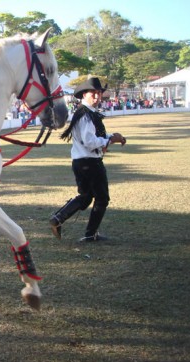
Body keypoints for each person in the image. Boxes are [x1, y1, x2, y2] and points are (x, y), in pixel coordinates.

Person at [49, 77, 127, 242]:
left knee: (85, 196)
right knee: (102, 198)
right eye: (94, 93)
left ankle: (58, 219)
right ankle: (90, 234)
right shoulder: (86, 115)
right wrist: (110, 140)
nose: (98, 97)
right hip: (90, 162)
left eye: (99, 93)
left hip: (81, 162)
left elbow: (93, 137)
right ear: (84, 94)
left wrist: (111, 137)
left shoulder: (85, 113)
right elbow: (90, 141)